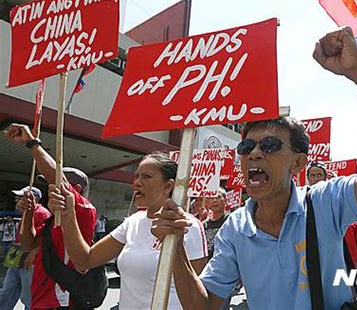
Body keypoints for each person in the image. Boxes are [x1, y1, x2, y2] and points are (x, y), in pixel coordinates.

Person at [150, 26, 357, 309]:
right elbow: (205, 307)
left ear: (298, 162)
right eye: (247, 148)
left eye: (271, 146)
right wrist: (175, 250)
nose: (256, 154)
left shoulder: (326, 202)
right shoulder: (235, 229)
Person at [48, 152, 208, 309]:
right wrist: (68, 215)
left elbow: (197, 301)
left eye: (146, 177)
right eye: (137, 176)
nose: (137, 183)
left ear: (168, 185)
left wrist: (176, 244)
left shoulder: (188, 226)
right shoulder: (132, 222)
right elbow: (84, 261)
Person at [5, 124, 97, 309]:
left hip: (61, 301)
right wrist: (29, 212)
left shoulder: (84, 209)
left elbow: (59, 181)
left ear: (76, 189)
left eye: (54, 183)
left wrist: (32, 143)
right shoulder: (53, 217)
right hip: (41, 298)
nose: (50, 188)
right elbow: (28, 244)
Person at [0, 187, 51, 310]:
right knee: (7, 291)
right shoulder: (27, 213)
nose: (17, 200)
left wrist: (32, 255)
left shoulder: (41, 213)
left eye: (20, 197)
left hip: (29, 261)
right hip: (17, 258)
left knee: (29, 297)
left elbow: (47, 237)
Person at [203, 188, 230, 259]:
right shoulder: (203, 225)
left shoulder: (232, 221)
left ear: (225, 200)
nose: (214, 200)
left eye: (218, 197)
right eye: (211, 198)